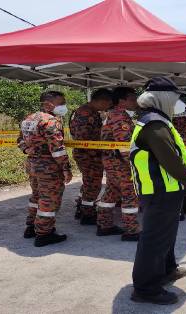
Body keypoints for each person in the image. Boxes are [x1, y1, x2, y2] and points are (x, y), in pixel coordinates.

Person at [129, 77, 186, 305]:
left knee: (165, 236)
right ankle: (146, 288)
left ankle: (166, 270)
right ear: (164, 98)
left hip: (166, 190)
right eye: (176, 97)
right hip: (159, 191)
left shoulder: (159, 120)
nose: (179, 102)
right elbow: (170, 159)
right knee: (154, 239)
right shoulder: (154, 124)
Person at [18, 91, 73, 247]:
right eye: (61, 102)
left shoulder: (28, 118)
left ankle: (31, 227)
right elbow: (57, 149)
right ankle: (44, 233)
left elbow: (19, 140)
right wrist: (66, 168)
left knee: (36, 196)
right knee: (49, 199)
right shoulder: (51, 121)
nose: (63, 106)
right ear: (49, 104)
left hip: (33, 165)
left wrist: (26, 150)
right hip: (49, 167)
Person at [95, 87, 141, 240]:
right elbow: (124, 145)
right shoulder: (120, 116)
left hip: (111, 161)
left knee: (111, 192)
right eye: (132, 99)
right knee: (130, 194)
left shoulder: (114, 114)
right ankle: (132, 231)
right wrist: (134, 164)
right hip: (120, 163)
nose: (135, 102)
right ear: (122, 100)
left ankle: (104, 225)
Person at [69, 88, 113, 225]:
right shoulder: (86, 113)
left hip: (87, 154)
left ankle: (82, 208)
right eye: (108, 104)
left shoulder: (85, 111)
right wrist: (98, 152)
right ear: (102, 101)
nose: (108, 108)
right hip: (88, 155)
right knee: (93, 184)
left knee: (88, 182)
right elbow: (83, 139)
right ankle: (87, 214)